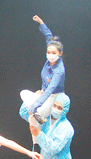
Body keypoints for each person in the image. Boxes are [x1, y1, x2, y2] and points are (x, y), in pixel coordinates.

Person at [20, 15, 66, 146]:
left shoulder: (59, 70)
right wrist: (41, 22)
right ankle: (35, 114)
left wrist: (35, 105)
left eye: (53, 53)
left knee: (32, 116)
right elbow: (48, 36)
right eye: (49, 52)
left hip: (53, 96)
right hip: (43, 92)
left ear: (60, 54)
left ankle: (36, 144)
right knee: (23, 93)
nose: (50, 54)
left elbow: (50, 90)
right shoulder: (49, 57)